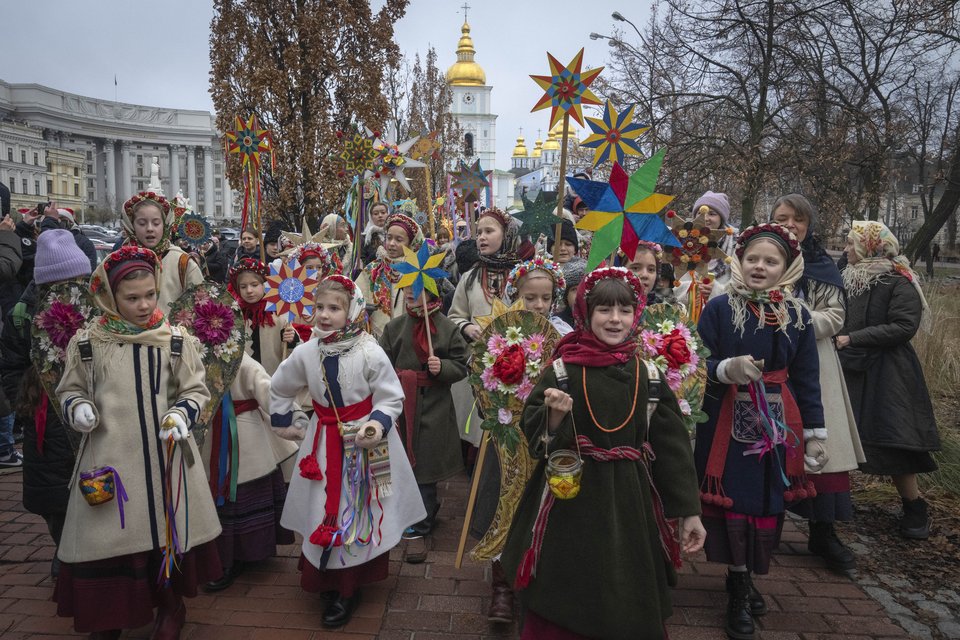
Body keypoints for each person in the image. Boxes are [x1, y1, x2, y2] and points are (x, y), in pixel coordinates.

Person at [500, 266, 705, 640]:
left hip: (629, 501)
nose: (615, 319)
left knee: (626, 583)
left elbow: (672, 447)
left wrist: (688, 510)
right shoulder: (562, 370)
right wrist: (553, 416)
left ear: (636, 314)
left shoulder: (649, 376)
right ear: (585, 312)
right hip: (569, 497)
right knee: (565, 583)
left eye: (624, 310)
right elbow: (535, 437)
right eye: (604, 310)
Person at [54, 246, 221, 639]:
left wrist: (181, 414)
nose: (144, 305)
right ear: (110, 296)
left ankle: (170, 605)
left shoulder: (175, 340)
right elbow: (70, 389)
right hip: (110, 462)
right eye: (132, 298)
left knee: (165, 532)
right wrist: (78, 406)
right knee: (109, 541)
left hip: (166, 461)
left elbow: (195, 390)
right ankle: (109, 615)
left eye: (150, 295)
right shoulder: (88, 343)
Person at [270, 275, 425, 627]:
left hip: (365, 442)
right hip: (323, 443)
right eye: (319, 307)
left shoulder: (369, 350)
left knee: (357, 507)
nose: (324, 315)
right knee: (322, 505)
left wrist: (377, 425)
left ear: (352, 310)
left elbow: (390, 396)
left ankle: (348, 587)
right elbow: (279, 387)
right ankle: (326, 575)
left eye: (334, 308)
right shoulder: (306, 351)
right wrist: (289, 422)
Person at [696, 223, 823, 640]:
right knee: (735, 498)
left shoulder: (797, 316)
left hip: (779, 423)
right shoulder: (719, 309)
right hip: (727, 421)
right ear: (739, 261)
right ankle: (737, 581)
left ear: (787, 267)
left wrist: (815, 433)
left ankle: (747, 574)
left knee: (766, 500)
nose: (759, 267)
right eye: (752, 258)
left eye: (771, 261)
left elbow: (807, 376)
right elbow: (696, 362)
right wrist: (723, 368)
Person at [770, 195, 864, 572]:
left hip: (814, 362)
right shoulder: (756, 257)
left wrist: (794, 319)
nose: (790, 225)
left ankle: (823, 531)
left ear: (809, 225)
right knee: (766, 441)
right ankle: (763, 526)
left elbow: (835, 316)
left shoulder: (820, 265)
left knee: (819, 444)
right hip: (767, 361)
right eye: (782, 218)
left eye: (798, 219)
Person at [836, 220, 940, 540]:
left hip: (889, 374)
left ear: (870, 247)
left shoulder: (899, 280)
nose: (845, 248)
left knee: (894, 442)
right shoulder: (847, 276)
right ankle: (833, 504)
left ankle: (914, 507)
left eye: (851, 243)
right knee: (841, 437)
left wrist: (854, 338)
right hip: (850, 367)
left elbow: (904, 326)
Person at [0, 230, 89, 557]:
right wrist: (27, 402)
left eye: (79, 279)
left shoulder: (91, 306)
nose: (74, 287)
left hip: (87, 407)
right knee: (53, 494)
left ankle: (85, 551)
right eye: (66, 281)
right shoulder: (24, 314)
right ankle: (64, 551)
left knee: (92, 483)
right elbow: (11, 364)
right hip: (44, 413)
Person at [379, 280, 469, 561]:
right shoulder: (394, 327)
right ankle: (405, 513)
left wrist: (443, 367)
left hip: (434, 406)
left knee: (425, 465)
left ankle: (421, 524)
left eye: (416, 289)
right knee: (400, 462)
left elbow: (462, 364)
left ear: (431, 292)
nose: (409, 293)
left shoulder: (447, 328)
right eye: (406, 288)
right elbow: (381, 364)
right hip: (401, 404)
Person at [200, 352, 298, 592]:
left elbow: (269, 392)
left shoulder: (242, 361)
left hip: (245, 440)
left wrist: (296, 418)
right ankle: (224, 557)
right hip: (212, 437)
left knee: (242, 493)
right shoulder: (197, 359)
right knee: (218, 493)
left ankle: (239, 557)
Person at [122, 186, 204, 314]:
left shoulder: (182, 262)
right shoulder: (119, 260)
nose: (150, 229)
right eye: (142, 223)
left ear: (165, 225)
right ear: (131, 226)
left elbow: (202, 307)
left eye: (156, 223)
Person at [448, 208, 521, 341]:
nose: (481, 237)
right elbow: (454, 317)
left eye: (489, 231)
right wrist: (467, 327)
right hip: (479, 351)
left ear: (506, 234)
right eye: (479, 232)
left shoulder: (520, 275)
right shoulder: (470, 277)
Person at [354, 212, 424, 338]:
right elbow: (355, 296)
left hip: (410, 336)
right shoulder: (373, 269)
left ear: (411, 243)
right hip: (376, 339)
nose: (391, 243)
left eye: (399, 240)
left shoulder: (419, 270)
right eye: (389, 237)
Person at [227, 258, 299, 376]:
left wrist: (292, 340)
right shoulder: (235, 316)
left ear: (264, 284)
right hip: (245, 379)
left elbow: (294, 353)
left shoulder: (278, 314)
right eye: (243, 287)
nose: (249, 290)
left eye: (254, 285)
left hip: (273, 378)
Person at [684, 191, 738, 301]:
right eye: (700, 213)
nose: (705, 218)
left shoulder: (735, 245)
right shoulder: (683, 243)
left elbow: (739, 285)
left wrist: (715, 290)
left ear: (721, 219)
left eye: (712, 214)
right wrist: (693, 288)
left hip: (722, 307)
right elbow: (675, 284)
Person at [505, 256, 572, 336]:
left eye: (546, 298)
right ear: (515, 297)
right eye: (530, 298)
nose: (539, 305)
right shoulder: (502, 332)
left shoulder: (561, 333)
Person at [360, 201, 390, 266]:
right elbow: (362, 261)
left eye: (383, 212)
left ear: (388, 214)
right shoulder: (365, 238)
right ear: (371, 217)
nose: (380, 215)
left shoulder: (393, 234)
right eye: (376, 214)